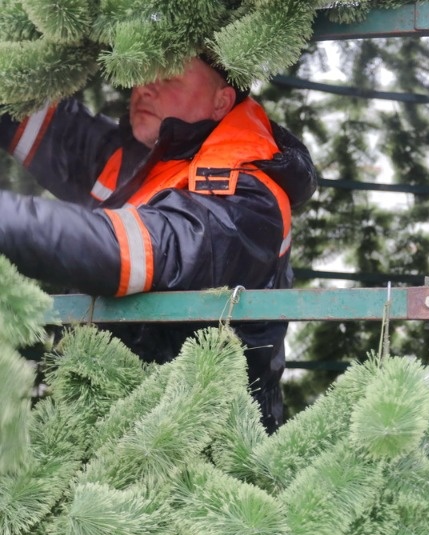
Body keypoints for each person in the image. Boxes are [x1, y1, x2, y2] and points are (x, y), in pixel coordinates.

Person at [0, 55, 318, 432]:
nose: (144, 86)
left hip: (197, 452)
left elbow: (123, 253)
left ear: (222, 100)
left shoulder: (250, 198)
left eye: (167, 75)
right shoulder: (137, 155)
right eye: (142, 71)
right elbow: (20, 109)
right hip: (102, 421)